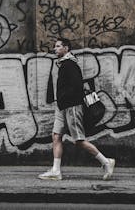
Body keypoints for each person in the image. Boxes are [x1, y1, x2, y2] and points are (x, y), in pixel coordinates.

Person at [38, 37, 115, 181]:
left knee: (79, 140)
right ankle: (55, 171)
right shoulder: (63, 64)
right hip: (62, 107)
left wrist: (65, 98)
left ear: (66, 48)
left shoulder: (70, 64)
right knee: (56, 136)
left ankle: (106, 161)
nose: (55, 49)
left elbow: (77, 87)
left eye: (58, 46)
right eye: (55, 46)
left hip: (71, 106)